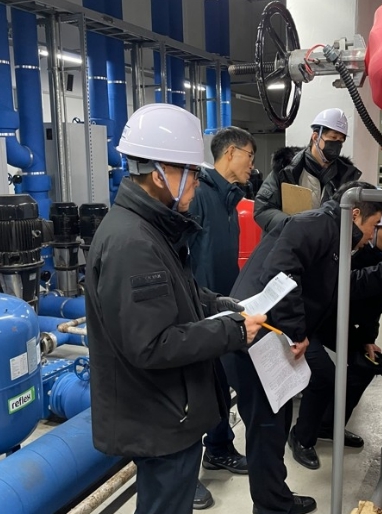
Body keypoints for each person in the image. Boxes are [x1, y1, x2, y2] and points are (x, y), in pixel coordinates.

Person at [84, 103, 266, 514]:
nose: (197, 183)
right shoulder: (133, 244)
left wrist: (215, 303)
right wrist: (233, 331)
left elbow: (176, 291)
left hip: (167, 409)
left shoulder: (150, 228)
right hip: (159, 416)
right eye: (191, 172)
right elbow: (154, 344)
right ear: (159, 173)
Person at [222, 181, 382, 514]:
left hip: (268, 337)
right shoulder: (315, 225)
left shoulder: (333, 236)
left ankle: (275, 499)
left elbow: (343, 287)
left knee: (274, 426)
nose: (370, 235)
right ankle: (272, 508)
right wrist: (297, 331)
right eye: (374, 225)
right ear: (356, 213)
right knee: (266, 429)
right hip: (255, 339)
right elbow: (280, 272)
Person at [288, 203, 382, 470]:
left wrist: (366, 338)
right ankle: (301, 437)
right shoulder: (350, 250)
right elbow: (353, 284)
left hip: (337, 321)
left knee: (365, 364)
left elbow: (371, 308)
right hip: (309, 321)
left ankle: (329, 425)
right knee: (324, 375)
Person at [188, 127, 256, 503]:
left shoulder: (229, 199)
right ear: (230, 153)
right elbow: (181, 254)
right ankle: (184, 475)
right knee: (193, 392)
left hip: (220, 306)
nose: (252, 164)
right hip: (197, 311)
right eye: (249, 155)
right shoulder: (199, 193)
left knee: (217, 384)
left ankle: (218, 448)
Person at [254, 108, 361, 233]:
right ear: (315, 137)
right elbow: (262, 209)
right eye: (333, 138)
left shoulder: (345, 177)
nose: (337, 144)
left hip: (326, 243)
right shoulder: (287, 169)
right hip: (291, 242)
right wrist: (293, 225)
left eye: (341, 140)